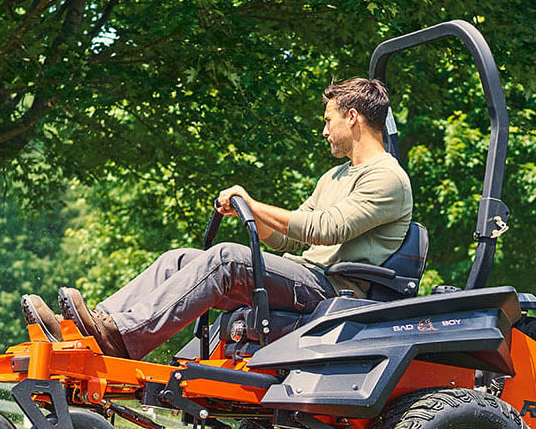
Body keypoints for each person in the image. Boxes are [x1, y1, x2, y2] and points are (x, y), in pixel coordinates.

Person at [21, 77, 413, 359]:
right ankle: (87, 329)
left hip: (334, 291)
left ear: (354, 118)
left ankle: (120, 338)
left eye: (328, 120)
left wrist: (252, 201)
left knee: (226, 258)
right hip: (305, 275)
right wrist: (251, 217)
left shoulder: (387, 177)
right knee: (178, 259)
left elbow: (325, 229)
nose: (323, 130)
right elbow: (292, 240)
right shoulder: (336, 175)